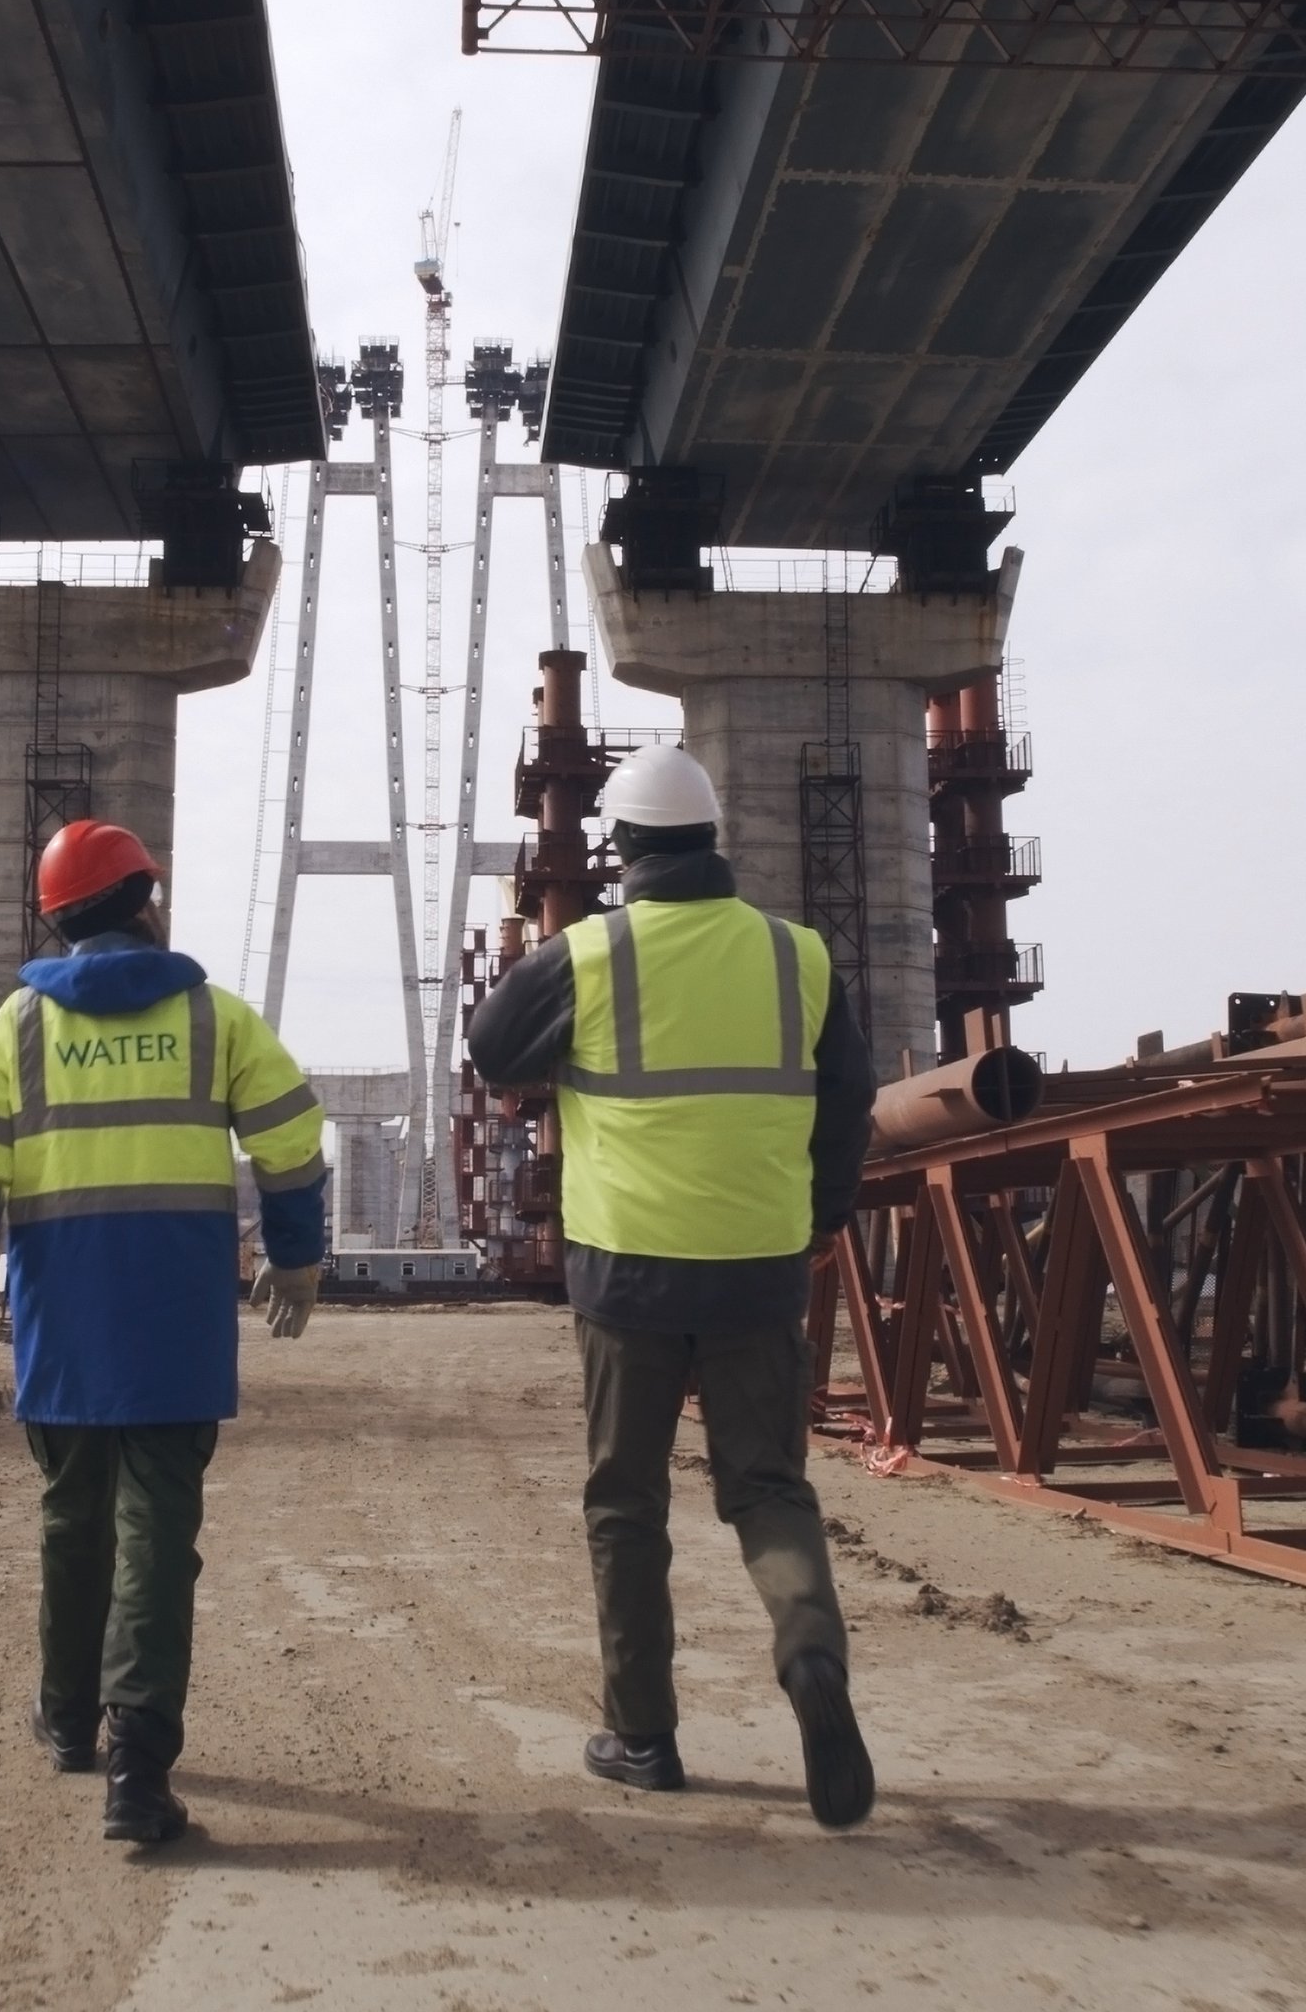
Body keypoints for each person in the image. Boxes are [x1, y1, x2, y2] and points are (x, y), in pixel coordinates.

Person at [462, 744, 881, 1829]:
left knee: (625, 1499)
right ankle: (809, 1659)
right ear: (711, 841)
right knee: (768, 1488)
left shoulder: (591, 955)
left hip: (627, 1274)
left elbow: (492, 1046)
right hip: (757, 1265)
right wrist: (825, 1213)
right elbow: (849, 1102)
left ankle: (642, 1735)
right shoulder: (799, 960)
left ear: (622, 849)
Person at [0, 819, 331, 1845]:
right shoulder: (214, 1019)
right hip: (177, 1322)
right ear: (148, 900)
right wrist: (296, 1252)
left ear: (55, 920)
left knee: (72, 1522)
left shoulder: (17, 1027)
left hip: (63, 1317)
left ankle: (64, 1722)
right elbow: (290, 1142)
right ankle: (138, 1770)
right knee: (157, 1537)